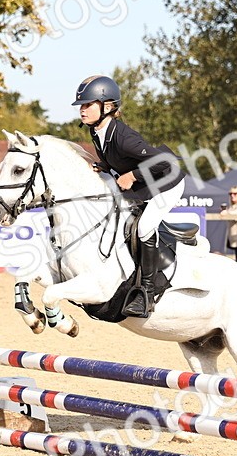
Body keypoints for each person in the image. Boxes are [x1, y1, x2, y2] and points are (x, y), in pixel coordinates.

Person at [73, 74, 184, 317]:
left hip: (167, 183)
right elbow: (115, 161)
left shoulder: (124, 138)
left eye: (87, 105)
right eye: (81, 105)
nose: (82, 110)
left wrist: (133, 175)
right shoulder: (97, 131)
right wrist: (106, 167)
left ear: (108, 106)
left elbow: (163, 162)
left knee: (144, 228)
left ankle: (146, 292)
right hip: (147, 184)